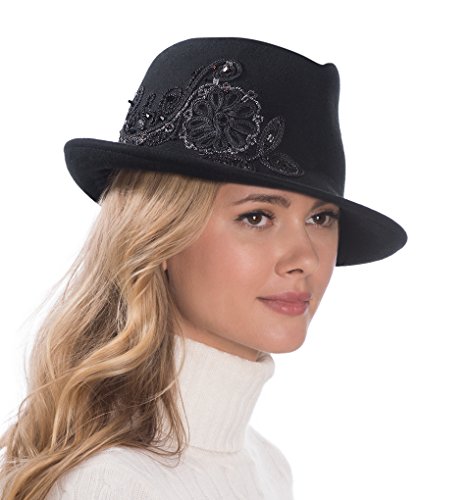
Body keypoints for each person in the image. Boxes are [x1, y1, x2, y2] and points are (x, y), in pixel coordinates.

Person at [0, 36, 407, 499]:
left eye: (320, 218)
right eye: (257, 217)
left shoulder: (269, 467)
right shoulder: (111, 483)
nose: (306, 259)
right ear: (159, 237)